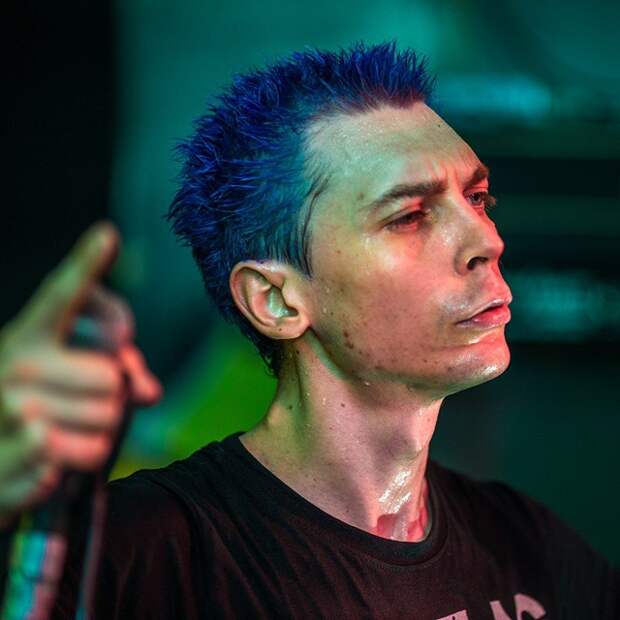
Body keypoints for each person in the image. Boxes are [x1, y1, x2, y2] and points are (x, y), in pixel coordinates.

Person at [1, 41, 618, 619]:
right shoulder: (142, 558)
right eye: (409, 215)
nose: (486, 240)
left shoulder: (526, 542)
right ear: (275, 301)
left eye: (477, 199)